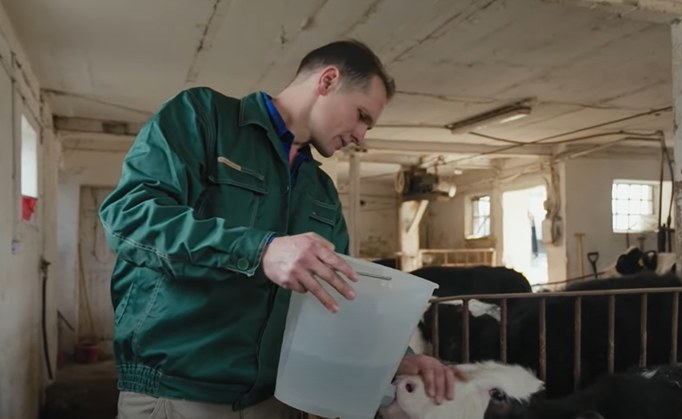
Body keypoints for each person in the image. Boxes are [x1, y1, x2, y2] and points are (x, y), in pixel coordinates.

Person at [99, 39, 462, 419]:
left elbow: (340, 290)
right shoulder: (204, 117)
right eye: (361, 115)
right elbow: (129, 218)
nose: (360, 135)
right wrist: (261, 250)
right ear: (327, 81)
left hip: (276, 399)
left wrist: (396, 359)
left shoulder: (319, 190)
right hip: (179, 392)